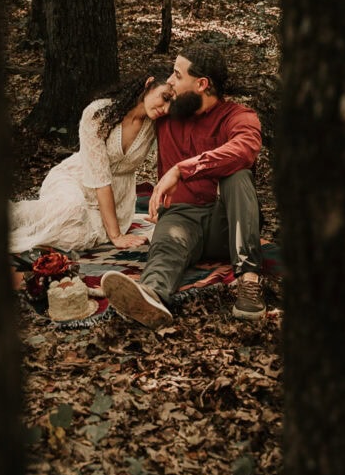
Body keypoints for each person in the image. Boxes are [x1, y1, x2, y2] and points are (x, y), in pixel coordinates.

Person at [102, 43, 266, 327]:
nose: (170, 81)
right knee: (165, 247)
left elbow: (245, 149)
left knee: (238, 175)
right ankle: (150, 298)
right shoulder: (167, 111)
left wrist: (182, 169)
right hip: (180, 216)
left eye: (177, 75)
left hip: (224, 222)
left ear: (202, 84)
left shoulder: (238, 117)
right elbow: (127, 110)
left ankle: (249, 281)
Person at [8, 72, 173, 254]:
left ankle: (41, 224)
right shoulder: (99, 113)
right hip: (77, 179)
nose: (165, 108)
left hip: (118, 199)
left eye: (172, 105)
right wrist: (116, 236)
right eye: (164, 98)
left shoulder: (157, 123)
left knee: (79, 238)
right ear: (149, 84)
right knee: (71, 210)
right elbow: (99, 178)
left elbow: (168, 164)